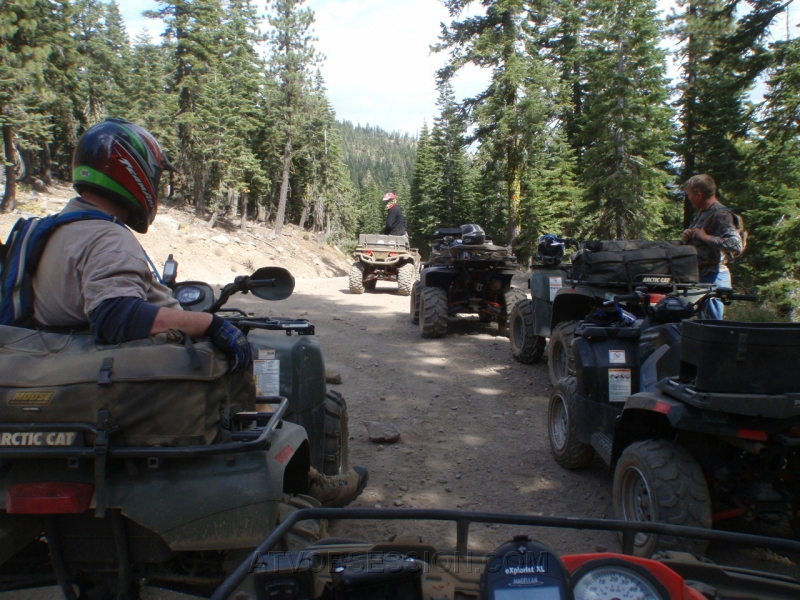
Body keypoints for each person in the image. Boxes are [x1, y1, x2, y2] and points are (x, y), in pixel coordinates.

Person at [32, 118, 367, 507]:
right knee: (239, 367)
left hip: (64, 374)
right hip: (125, 385)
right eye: (154, 176)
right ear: (131, 172)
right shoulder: (106, 236)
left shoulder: (48, 232)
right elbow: (115, 316)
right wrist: (209, 323)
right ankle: (300, 479)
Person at [681, 174, 743, 320]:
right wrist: (688, 237)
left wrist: (706, 237)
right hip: (702, 276)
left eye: (689, 195)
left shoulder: (721, 214)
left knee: (712, 324)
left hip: (714, 277)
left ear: (699, 195)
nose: (688, 198)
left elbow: (736, 245)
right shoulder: (703, 213)